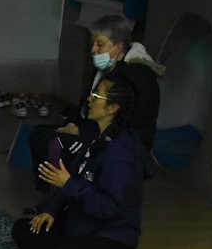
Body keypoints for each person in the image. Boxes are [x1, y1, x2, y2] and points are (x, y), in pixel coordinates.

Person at [11, 76, 154, 249]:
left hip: (111, 241)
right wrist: (51, 210)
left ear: (113, 108)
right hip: (81, 228)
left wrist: (68, 185)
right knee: (24, 230)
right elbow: (73, 177)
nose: (89, 99)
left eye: (96, 96)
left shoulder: (122, 154)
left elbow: (109, 207)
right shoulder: (96, 136)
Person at [27, 15, 163, 202]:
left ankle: (62, 200)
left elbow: (125, 124)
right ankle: (50, 196)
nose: (93, 50)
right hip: (96, 128)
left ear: (118, 47)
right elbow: (87, 104)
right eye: (93, 43)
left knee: (58, 143)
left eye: (100, 44)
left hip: (122, 139)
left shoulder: (136, 78)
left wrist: (81, 130)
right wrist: (74, 123)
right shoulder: (104, 68)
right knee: (39, 134)